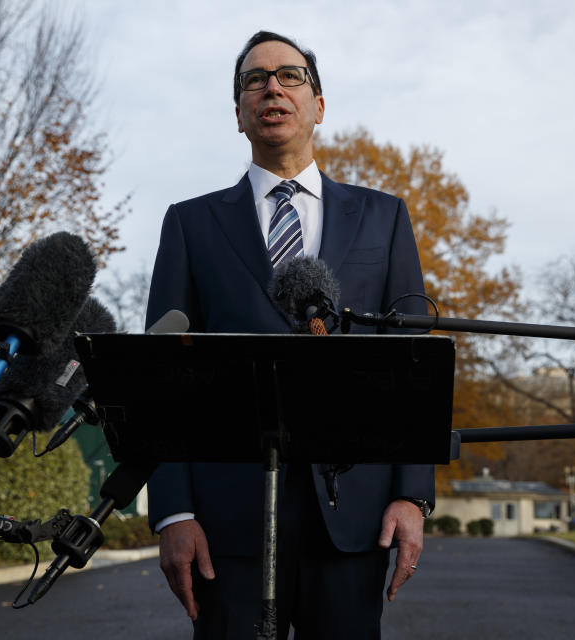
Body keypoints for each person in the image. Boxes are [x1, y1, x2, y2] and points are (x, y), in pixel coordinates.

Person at [145, 31, 434, 638]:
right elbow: (161, 376)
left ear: (319, 105)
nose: (272, 87)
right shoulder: (191, 224)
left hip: (353, 517)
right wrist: (173, 509)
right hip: (227, 523)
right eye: (254, 79)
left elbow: (412, 367)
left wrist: (414, 495)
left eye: (290, 76)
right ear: (239, 114)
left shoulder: (385, 218)